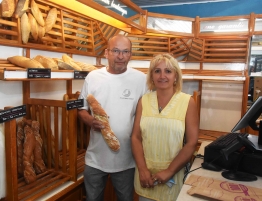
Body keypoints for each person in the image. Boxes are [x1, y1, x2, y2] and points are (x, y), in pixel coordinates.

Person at [77, 34, 147, 201]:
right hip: (95, 158)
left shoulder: (141, 79)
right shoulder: (93, 77)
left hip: (127, 160)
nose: (121, 56)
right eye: (116, 51)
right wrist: (89, 120)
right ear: (107, 53)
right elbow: (81, 109)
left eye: (125, 51)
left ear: (130, 54)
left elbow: (146, 115)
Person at [131, 53, 199, 201]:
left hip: (173, 179)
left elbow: (192, 142)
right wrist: (142, 170)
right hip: (146, 178)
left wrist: (169, 171)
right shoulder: (144, 100)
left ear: (176, 76)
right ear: (152, 76)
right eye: (157, 71)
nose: (162, 76)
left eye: (168, 71)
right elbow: (135, 137)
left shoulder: (187, 102)